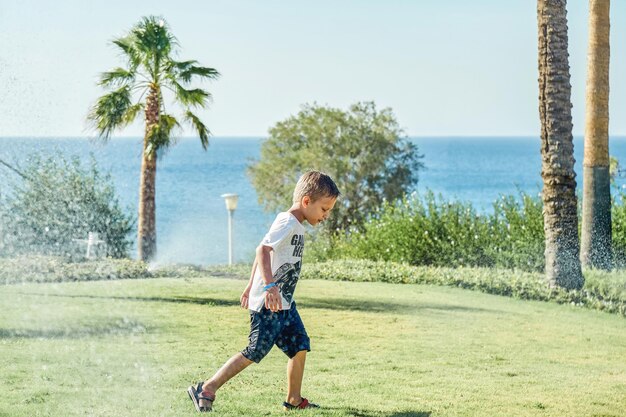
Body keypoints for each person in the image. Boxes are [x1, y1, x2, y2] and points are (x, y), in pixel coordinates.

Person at [188, 170, 340, 413]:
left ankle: (294, 399)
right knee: (255, 350)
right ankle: (206, 388)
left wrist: (250, 285)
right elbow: (263, 250)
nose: (326, 216)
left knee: (300, 345)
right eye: (324, 209)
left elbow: (263, 250)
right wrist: (267, 287)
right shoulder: (288, 221)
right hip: (268, 305)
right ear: (307, 201)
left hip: (285, 304)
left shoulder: (296, 225)